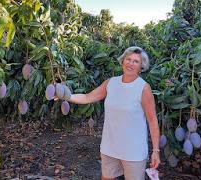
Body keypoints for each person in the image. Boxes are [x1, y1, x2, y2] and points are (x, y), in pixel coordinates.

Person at [68, 46, 160, 180]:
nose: (130, 63)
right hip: (110, 147)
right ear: (122, 61)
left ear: (141, 67)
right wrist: (66, 96)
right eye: (128, 59)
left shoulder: (143, 88)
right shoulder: (111, 83)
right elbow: (88, 97)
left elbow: (152, 120)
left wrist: (156, 151)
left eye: (136, 61)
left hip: (133, 151)